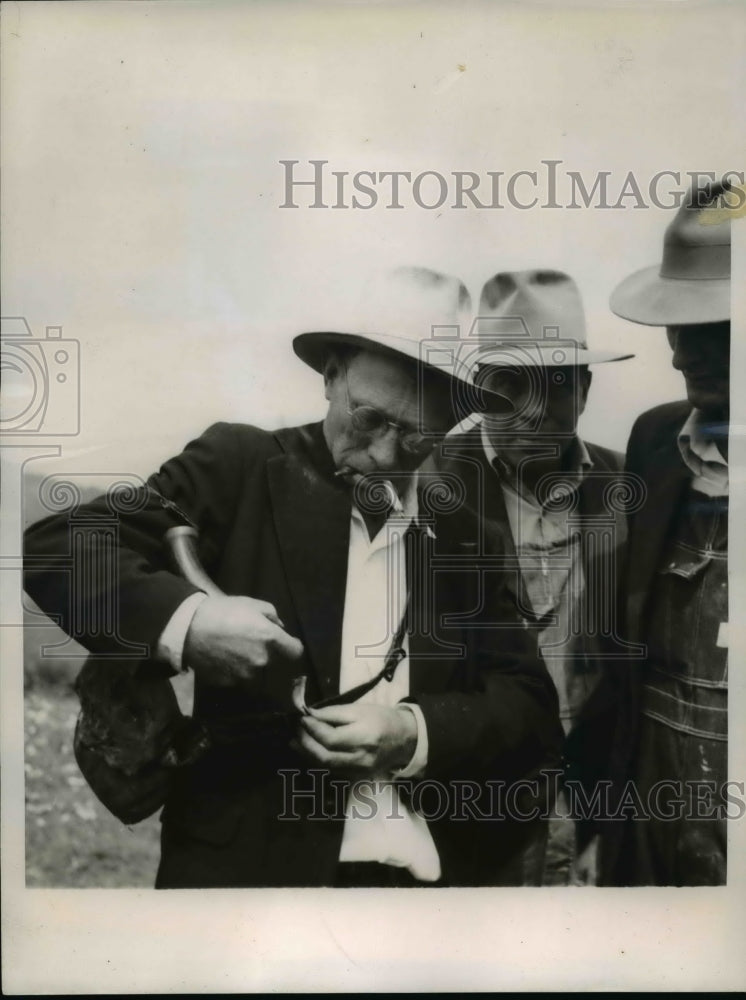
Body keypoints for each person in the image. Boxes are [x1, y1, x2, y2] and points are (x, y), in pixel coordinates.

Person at [23, 265, 563, 888]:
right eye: (369, 420)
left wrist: (414, 733)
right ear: (331, 376)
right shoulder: (241, 467)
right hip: (248, 885)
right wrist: (192, 623)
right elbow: (55, 547)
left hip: (417, 895)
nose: (385, 456)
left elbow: (529, 709)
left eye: (419, 439)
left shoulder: (467, 537)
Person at [433, 269, 633, 884]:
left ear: (586, 390)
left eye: (556, 384)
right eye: (509, 385)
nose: (533, 410)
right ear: (477, 392)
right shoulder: (429, 483)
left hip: (596, 808)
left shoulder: (629, 488)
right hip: (466, 810)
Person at [595, 180, 732, 885]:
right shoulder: (654, 442)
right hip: (648, 814)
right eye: (675, 326)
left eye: (710, 327)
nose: (680, 355)